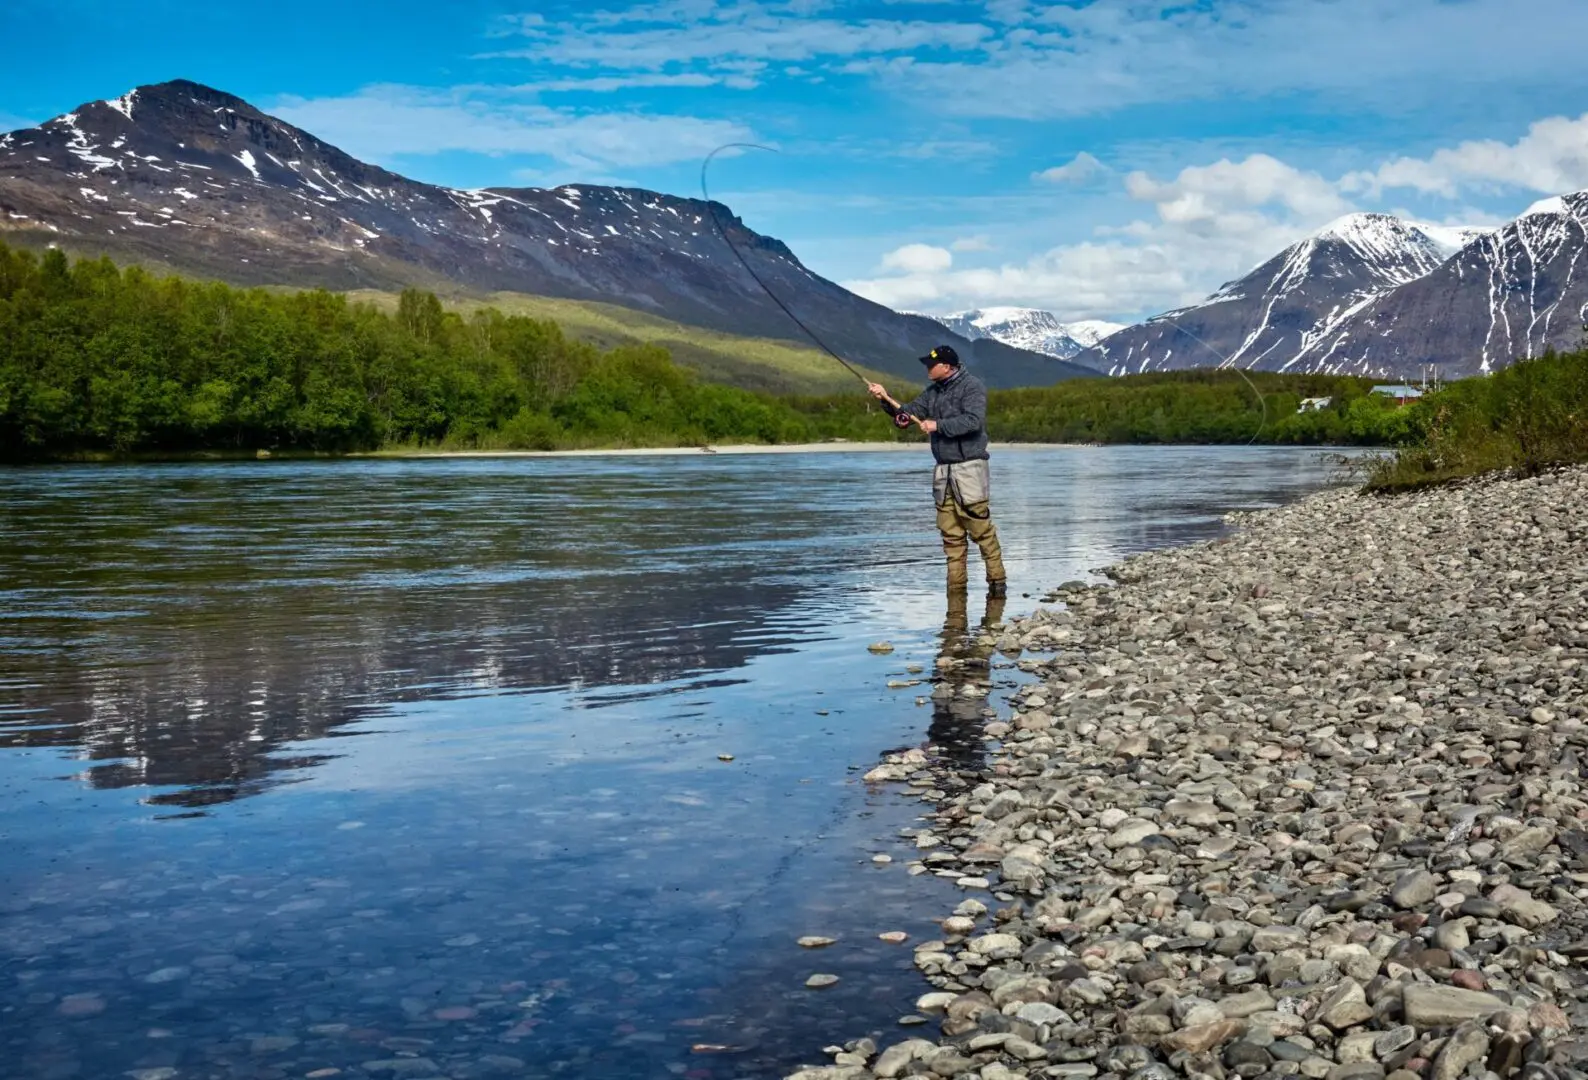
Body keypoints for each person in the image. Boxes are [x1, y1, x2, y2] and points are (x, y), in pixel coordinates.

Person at [868, 345, 1008, 597]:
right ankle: (956, 594)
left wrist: (937, 425)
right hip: (943, 472)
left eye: (931, 365)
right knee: (951, 537)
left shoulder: (972, 386)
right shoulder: (933, 392)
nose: (927, 369)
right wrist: (885, 400)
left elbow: (973, 421)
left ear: (947, 366)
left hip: (970, 468)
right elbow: (907, 414)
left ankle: (997, 587)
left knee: (981, 531)